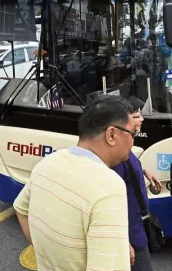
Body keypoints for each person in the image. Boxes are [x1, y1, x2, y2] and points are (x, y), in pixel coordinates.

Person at [13, 96, 137, 271]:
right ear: (111, 135)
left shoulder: (48, 162)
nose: (133, 141)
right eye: (132, 133)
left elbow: (20, 208)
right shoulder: (108, 186)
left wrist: (46, 256)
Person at [112, 97, 162, 271]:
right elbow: (114, 204)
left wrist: (142, 171)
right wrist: (125, 241)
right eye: (136, 116)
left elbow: (129, 164)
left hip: (136, 228)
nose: (141, 119)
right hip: (131, 234)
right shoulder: (117, 155)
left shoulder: (125, 146)